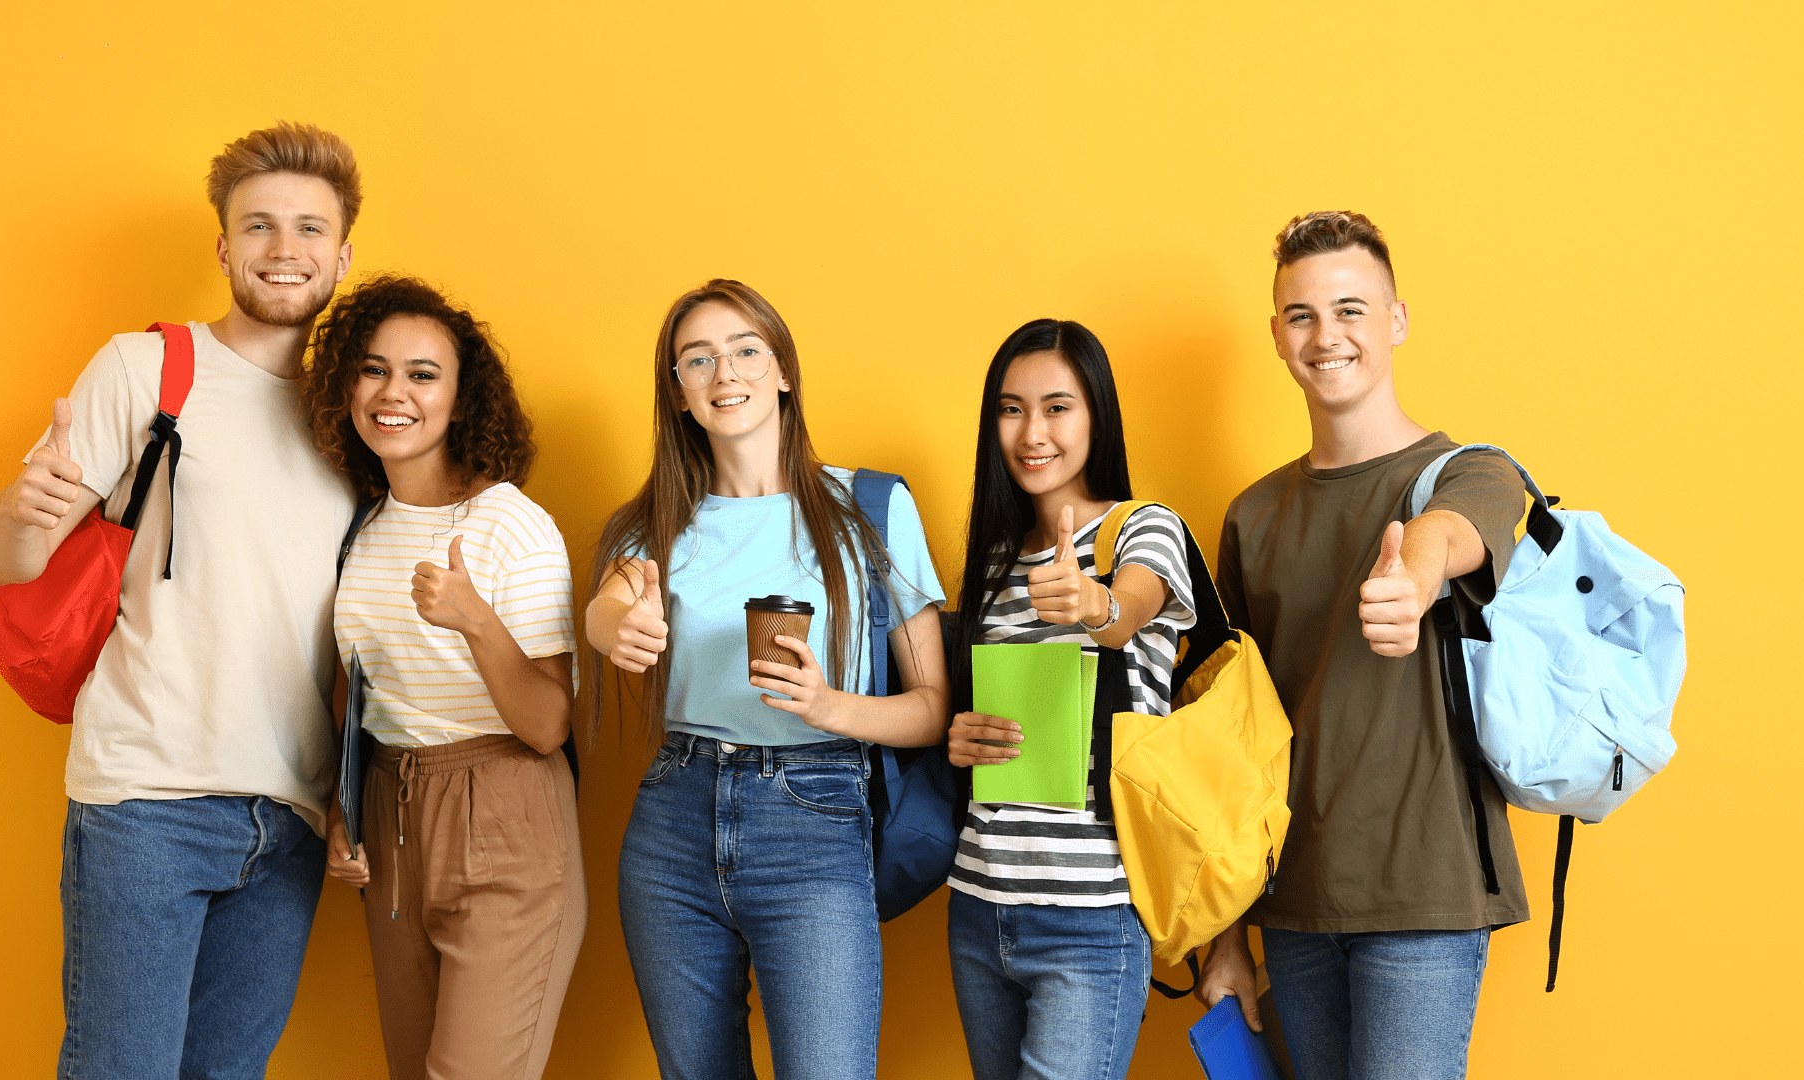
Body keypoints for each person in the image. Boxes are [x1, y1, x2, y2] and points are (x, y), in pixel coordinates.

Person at [0, 122, 361, 1078]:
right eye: (258, 225)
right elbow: (6, 559)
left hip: (291, 815)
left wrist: (350, 798)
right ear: (224, 246)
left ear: (343, 254)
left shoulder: (354, 411)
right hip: (148, 801)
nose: (284, 248)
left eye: (309, 228)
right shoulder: (148, 371)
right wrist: (22, 512)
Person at [585, 279, 948, 1080]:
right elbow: (607, 609)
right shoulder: (654, 523)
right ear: (678, 393)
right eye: (698, 359)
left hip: (816, 820)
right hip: (673, 824)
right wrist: (621, 628)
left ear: (782, 369)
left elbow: (930, 712)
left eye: (747, 349)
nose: (726, 372)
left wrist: (829, 705)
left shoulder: (870, 509)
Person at [1215, 211, 1530, 1080]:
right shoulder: (1251, 516)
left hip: (1423, 898)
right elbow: (1227, 742)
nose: (1329, 336)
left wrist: (1415, 580)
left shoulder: (1475, 470)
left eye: (1352, 310)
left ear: (1396, 321)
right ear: (1277, 335)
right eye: (1304, 315)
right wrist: (1224, 939)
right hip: (1292, 903)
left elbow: (1450, 534)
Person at [943, 319, 1255, 1080]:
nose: (1032, 432)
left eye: (1058, 407)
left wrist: (1093, 603)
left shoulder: (1144, 529)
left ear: (1096, 416)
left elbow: (1132, 609)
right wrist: (961, 739)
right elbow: (979, 723)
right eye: (1012, 409)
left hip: (1092, 917)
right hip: (979, 905)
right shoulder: (990, 559)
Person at [301, 275, 584, 1079]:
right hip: (392, 814)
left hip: (504, 809)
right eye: (374, 369)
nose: (394, 393)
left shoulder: (510, 525)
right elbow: (354, 688)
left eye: (423, 375)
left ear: (461, 401)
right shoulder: (361, 525)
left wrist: (474, 620)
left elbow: (548, 725)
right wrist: (341, 808)